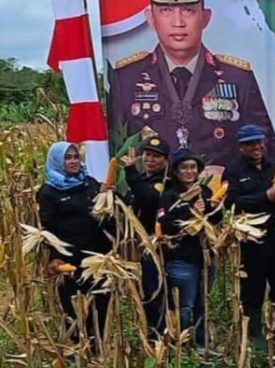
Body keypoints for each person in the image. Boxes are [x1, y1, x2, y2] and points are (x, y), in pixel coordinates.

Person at [109, 0, 275, 168]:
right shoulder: (127, 78)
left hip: (220, 193)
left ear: (205, 18)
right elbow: (115, 147)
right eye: (166, 11)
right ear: (151, 18)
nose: (178, 22)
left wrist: (233, 179)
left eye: (188, 11)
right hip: (153, 193)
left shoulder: (237, 77)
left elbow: (266, 146)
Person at [224, 124, 275, 348]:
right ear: (241, 147)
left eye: (258, 142)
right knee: (253, 287)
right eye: (250, 144)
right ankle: (254, 331)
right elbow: (230, 202)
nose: (256, 147)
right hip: (251, 240)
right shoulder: (233, 171)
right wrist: (266, 196)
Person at [37, 142, 114, 341]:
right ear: (57, 161)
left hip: (97, 257)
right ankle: (77, 352)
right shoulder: (48, 192)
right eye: (67, 158)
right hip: (69, 260)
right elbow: (47, 228)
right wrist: (54, 257)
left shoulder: (90, 183)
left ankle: (99, 348)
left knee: (101, 304)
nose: (73, 161)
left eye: (75, 157)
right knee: (73, 310)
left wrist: (108, 197)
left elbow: (108, 216)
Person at [158, 148, 222, 346]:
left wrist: (212, 208)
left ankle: (202, 343)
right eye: (184, 168)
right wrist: (190, 214)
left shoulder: (205, 192)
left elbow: (216, 219)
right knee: (184, 307)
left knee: (203, 304)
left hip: (205, 256)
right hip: (181, 259)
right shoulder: (169, 196)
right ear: (176, 171)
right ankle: (183, 347)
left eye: (193, 167)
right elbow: (165, 223)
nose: (189, 172)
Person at [121, 136, 170, 338]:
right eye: (148, 155)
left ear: (166, 161)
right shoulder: (144, 179)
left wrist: (131, 172)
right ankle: (146, 329)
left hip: (154, 246)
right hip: (137, 246)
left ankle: (156, 333)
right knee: (142, 290)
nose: (150, 159)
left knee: (153, 291)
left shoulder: (162, 184)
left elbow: (149, 200)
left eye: (157, 156)